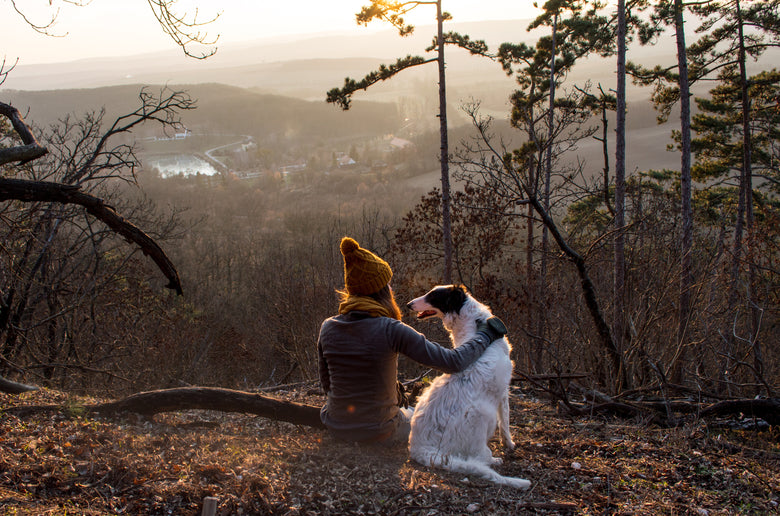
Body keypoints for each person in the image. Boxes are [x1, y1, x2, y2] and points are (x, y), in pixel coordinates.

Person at [317, 236, 507, 445]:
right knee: (418, 416)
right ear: (379, 291)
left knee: (406, 409)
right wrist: (485, 335)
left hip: (336, 425)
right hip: (380, 432)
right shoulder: (391, 329)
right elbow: (454, 362)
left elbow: (328, 385)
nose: (391, 289)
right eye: (387, 284)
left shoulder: (328, 327)